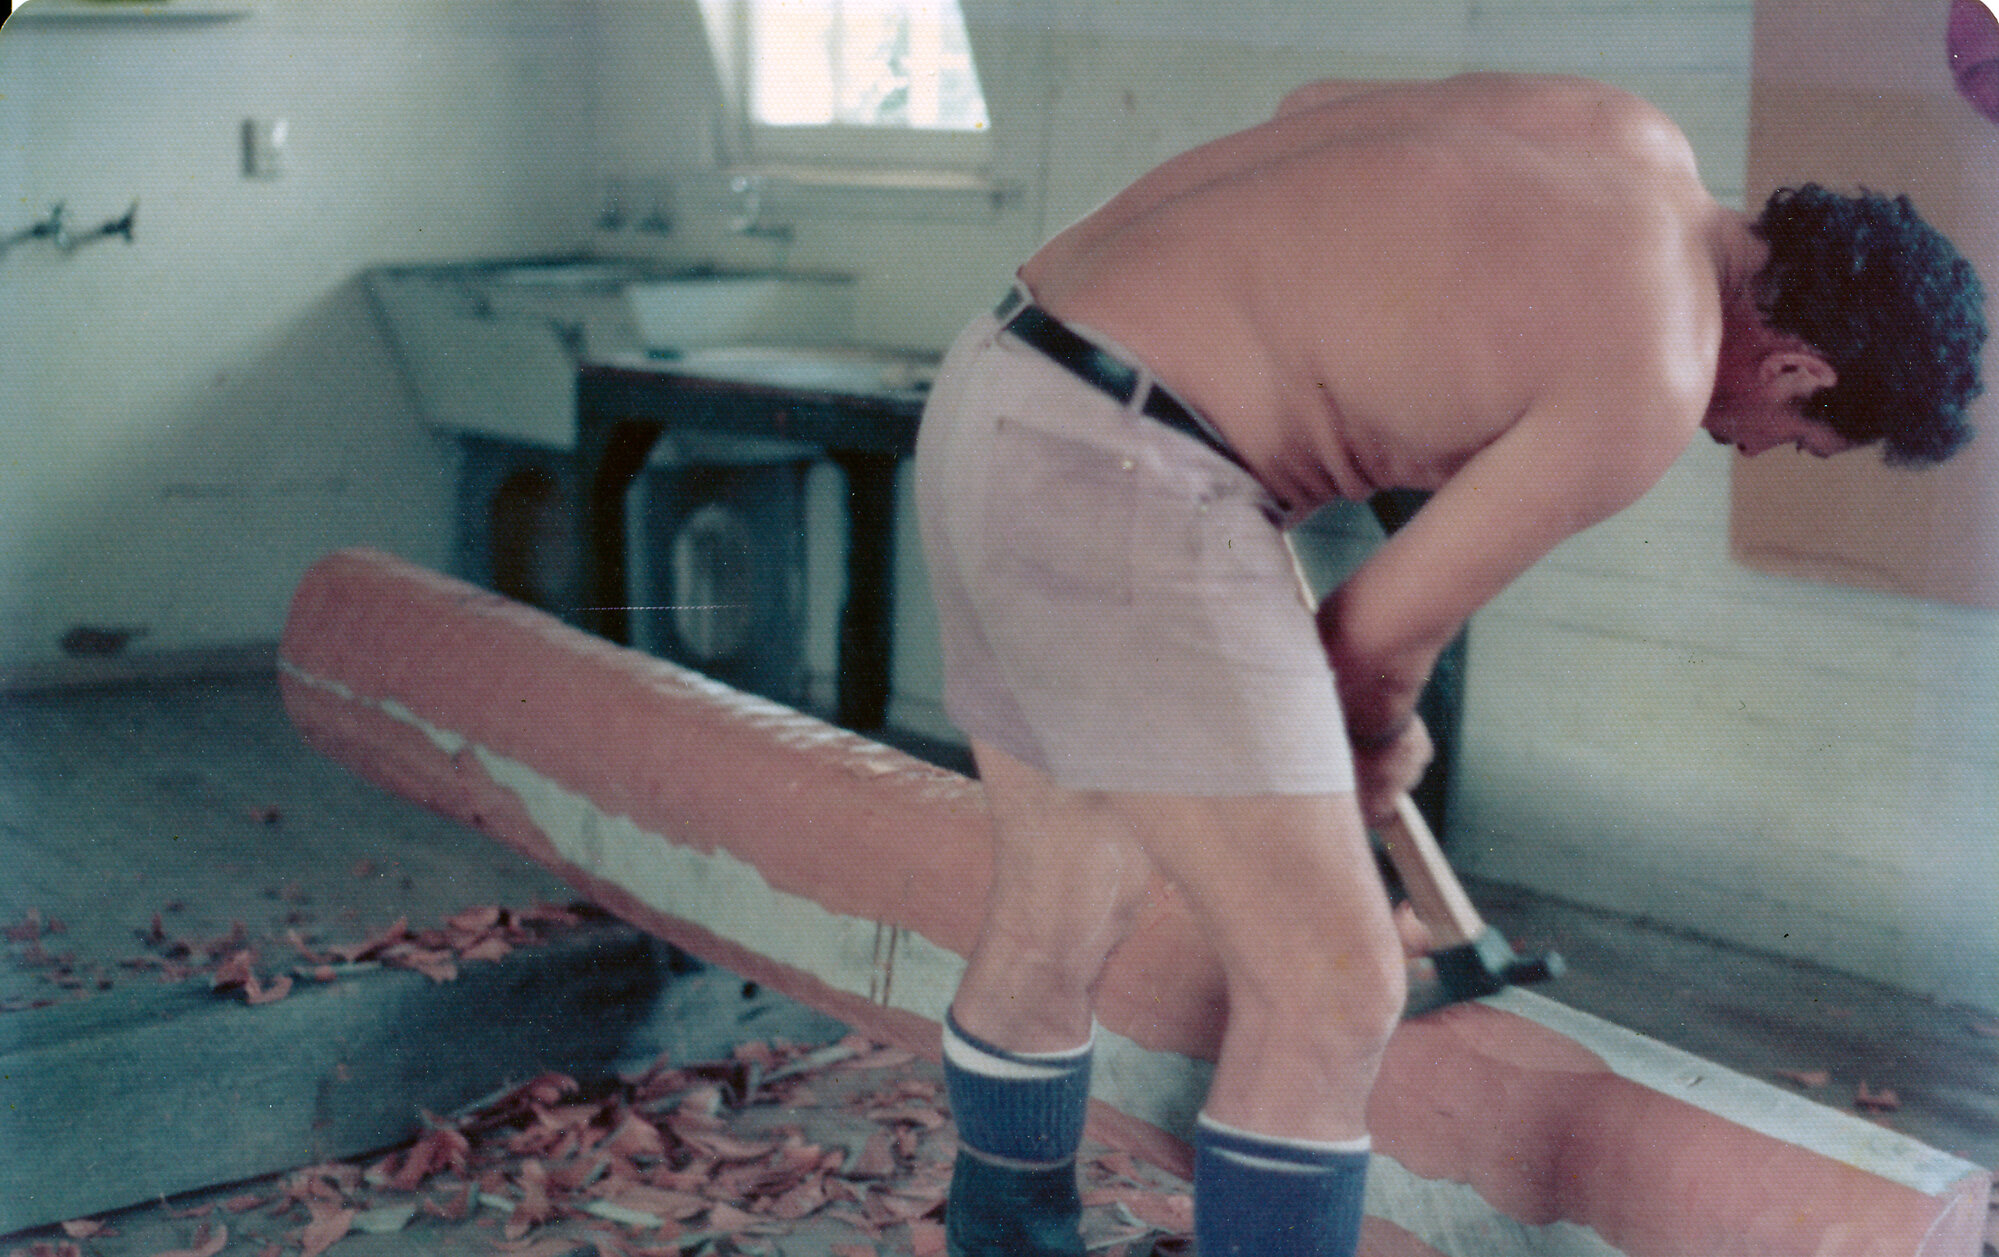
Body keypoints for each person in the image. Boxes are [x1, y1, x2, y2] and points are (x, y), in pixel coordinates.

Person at [912, 73, 1986, 1257]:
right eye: (1803, 440)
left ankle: (998, 1241)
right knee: (1333, 988)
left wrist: (1375, 406)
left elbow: (1304, 109)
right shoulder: (1660, 367)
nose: (1751, 446)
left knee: (1065, 901)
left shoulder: (1621, 133)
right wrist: (1377, 739)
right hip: (1130, 473)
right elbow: (1365, 647)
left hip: (1001, 384)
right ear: (1797, 371)